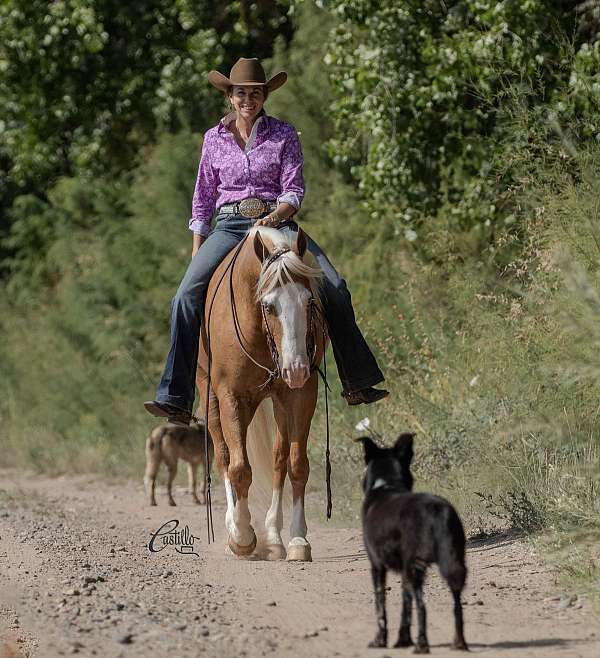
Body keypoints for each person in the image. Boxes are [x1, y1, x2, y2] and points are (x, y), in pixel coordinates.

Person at [145, 58, 388, 425]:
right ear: (229, 96)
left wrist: (271, 219)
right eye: (241, 92)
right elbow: (202, 198)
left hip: (277, 222)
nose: (248, 99)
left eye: (255, 93)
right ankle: (176, 395)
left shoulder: (284, 134)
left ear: (264, 96)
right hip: (227, 226)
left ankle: (357, 380)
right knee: (183, 297)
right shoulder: (213, 139)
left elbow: (293, 191)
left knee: (335, 286)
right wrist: (198, 248)